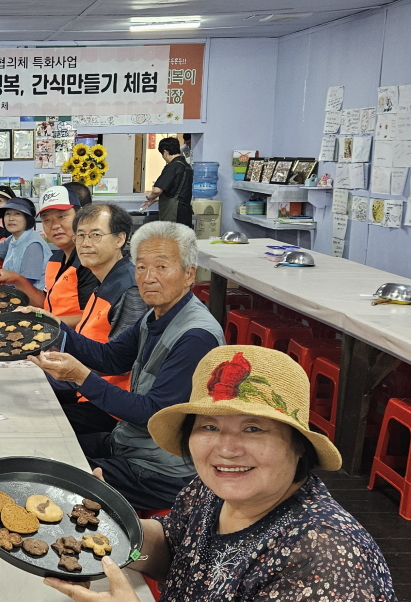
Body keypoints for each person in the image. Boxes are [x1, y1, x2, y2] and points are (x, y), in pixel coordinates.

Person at [46, 345, 396, 602]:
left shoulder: (325, 558)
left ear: (299, 445)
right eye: (209, 426)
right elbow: (172, 550)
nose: (226, 449)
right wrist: (118, 528)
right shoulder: (212, 489)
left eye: (253, 429)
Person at [28, 221, 224, 510]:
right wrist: (54, 326)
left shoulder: (195, 337)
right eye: (141, 267)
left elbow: (153, 414)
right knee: (42, 449)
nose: (148, 277)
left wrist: (81, 377)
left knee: (47, 479)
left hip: (164, 469)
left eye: (161, 267)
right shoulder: (155, 315)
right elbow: (112, 358)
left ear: (189, 274)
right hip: (132, 442)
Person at [53, 204, 148, 426]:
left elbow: (123, 362)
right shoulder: (107, 278)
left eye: (95, 235)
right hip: (89, 388)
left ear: (119, 239)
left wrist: (67, 367)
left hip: (112, 406)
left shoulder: (129, 289)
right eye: (80, 236)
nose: (85, 243)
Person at [0, 186, 99, 328]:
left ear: (80, 216)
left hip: (74, 339)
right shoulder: (55, 259)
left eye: (62, 216)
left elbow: (94, 318)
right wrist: (17, 280)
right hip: (53, 332)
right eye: (47, 220)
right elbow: (46, 303)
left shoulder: (90, 262)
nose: (54, 226)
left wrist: (44, 320)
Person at [0, 197, 49, 289]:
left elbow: (28, 283)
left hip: (29, 294)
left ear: (27, 219)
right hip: (13, 288)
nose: (11, 218)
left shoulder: (33, 245)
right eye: (7, 214)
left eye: (17, 214)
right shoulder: (14, 238)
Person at [142, 136, 194, 227]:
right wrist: (155, 200)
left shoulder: (173, 166)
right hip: (185, 211)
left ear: (165, 152)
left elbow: (157, 190)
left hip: (174, 213)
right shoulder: (187, 166)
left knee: (170, 234)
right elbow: (177, 192)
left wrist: (150, 197)